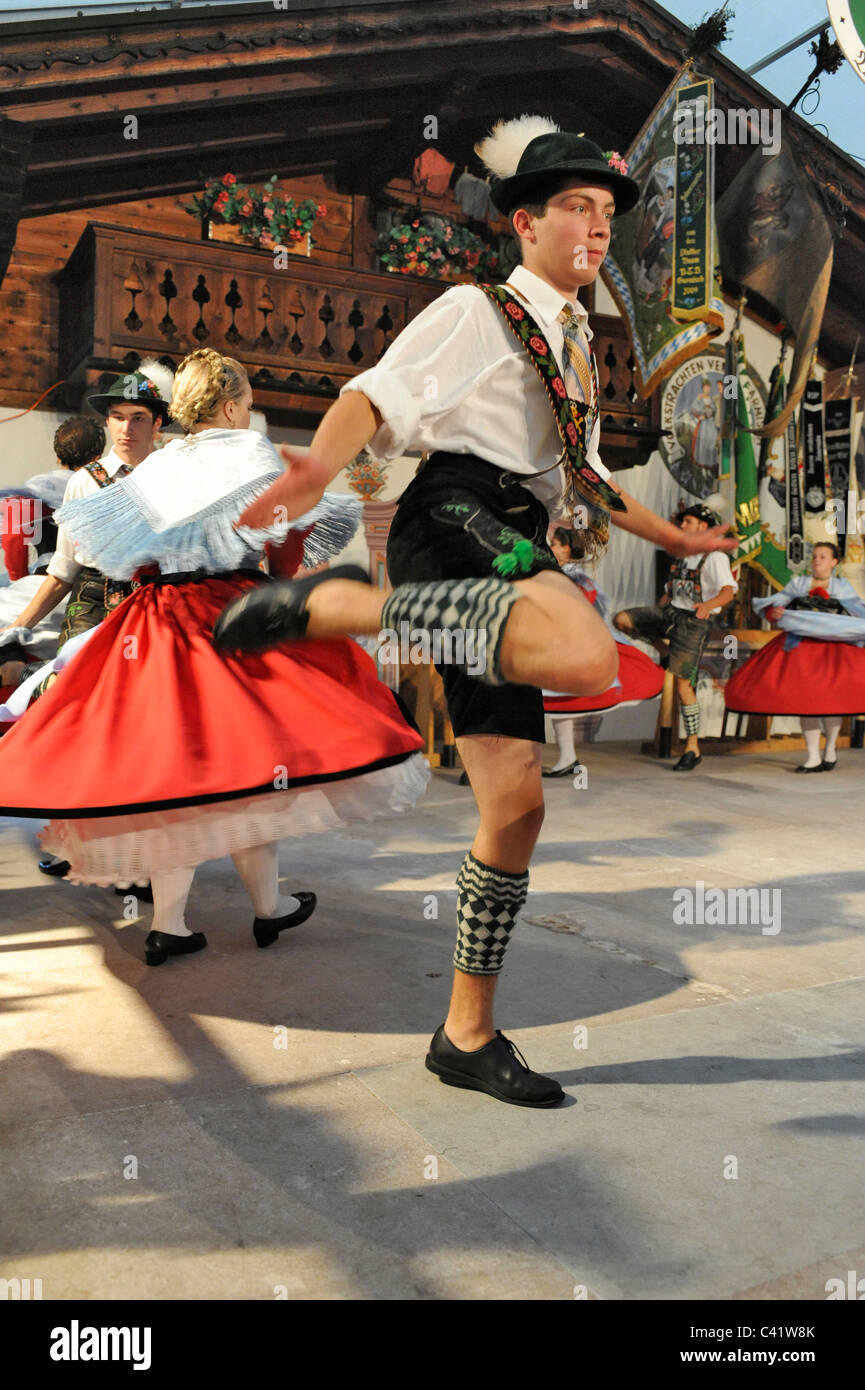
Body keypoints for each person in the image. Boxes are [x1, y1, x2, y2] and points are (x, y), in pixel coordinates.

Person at [213, 116, 737, 1109]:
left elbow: (581, 477)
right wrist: (321, 464)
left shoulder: (575, 342)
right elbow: (378, 395)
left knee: (516, 809)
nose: (596, 225)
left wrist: (676, 541)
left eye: (605, 212)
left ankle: (465, 1034)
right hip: (454, 512)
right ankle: (348, 605)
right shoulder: (477, 311)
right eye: (577, 207)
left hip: (512, 530)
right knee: (586, 655)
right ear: (526, 222)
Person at [0, 349, 427, 965]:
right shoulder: (253, 455)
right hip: (234, 614)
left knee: (182, 778)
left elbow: (132, 560)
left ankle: (172, 924)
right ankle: (266, 910)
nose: (250, 414)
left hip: (157, 620)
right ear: (231, 405)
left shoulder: (157, 466)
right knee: (253, 775)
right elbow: (284, 552)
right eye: (249, 404)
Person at [614, 503, 737, 771]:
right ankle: (664, 650)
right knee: (622, 619)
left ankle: (692, 747)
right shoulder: (682, 554)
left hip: (694, 623)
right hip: (672, 612)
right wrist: (659, 610)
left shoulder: (714, 556)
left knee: (684, 685)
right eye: (682, 522)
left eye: (688, 522)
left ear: (703, 526)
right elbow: (672, 590)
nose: (683, 526)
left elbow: (729, 591)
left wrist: (707, 605)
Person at [724, 540, 865, 772]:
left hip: (835, 650)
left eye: (822, 556)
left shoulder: (842, 587)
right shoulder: (799, 583)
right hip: (802, 648)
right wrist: (774, 611)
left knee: (833, 701)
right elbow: (774, 606)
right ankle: (812, 756)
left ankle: (830, 748)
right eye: (815, 556)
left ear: (834, 562)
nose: (817, 560)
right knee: (804, 701)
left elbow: (859, 611)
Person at [542, 527, 664, 776]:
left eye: (555, 544)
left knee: (564, 697)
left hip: (575, 641)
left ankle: (565, 757)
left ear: (568, 548)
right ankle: (567, 757)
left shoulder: (576, 576)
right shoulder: (550, 573)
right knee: (557, 699)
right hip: (554, 641)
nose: (551, 548)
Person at [0, 417, 107, 688]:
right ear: (98, 454)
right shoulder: (107, 487)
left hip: (47, 586)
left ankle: (18, 671)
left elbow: (13, 539)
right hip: (96, 594)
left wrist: (18, 579)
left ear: (57, 452)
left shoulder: (34, 488)